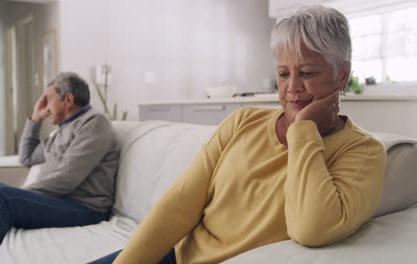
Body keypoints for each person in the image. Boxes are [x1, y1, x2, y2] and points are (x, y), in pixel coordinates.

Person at [89, 5, 386, 264]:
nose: (292, 87)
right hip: (174, 256)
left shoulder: (364, 152)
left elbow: (312, 227)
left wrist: (304, 130)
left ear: (342, 75)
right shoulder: (244, 120)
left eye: (307, 73)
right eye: (283, 74)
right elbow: (179, 204)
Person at [0, 72, 120, 264]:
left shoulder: (94, 123)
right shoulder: (62, 130)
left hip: (84, 208)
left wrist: (18, 194)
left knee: (2, 196)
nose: (46, 106)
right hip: (57, 200)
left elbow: (67, 179)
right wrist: (35, 119)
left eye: (48, 99)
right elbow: (27, 156)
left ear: (68, 99)